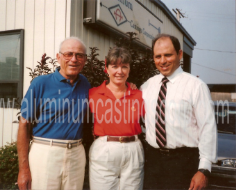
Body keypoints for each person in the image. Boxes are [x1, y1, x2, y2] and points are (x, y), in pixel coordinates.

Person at [140, 33, 217, 190]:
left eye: (168, 55)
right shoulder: (147, 86)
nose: (163, 61)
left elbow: (207, 128)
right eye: (158, 56)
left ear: (180, 54)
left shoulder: (196, 86)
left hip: (184, 163)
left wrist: (203, 169)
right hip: (153, 163)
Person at [17, 37, 91, 190]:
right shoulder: (40, 83)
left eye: (79, 55)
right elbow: (24, 125)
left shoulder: (85, 83)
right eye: (68, 54)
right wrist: (23, 169)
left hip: (76, 154)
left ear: (85, 60)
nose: (74, 59)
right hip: (45, 154)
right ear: (58, 57)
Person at [89, 47, 145, 190]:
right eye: (114, 66)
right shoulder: (93, 94)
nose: (119, 72)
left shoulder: (139, 95)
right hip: (104, 150)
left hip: (133, 150)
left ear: (129, 69)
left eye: (124, 67)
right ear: (106, 68)